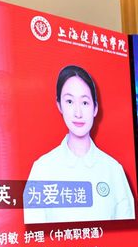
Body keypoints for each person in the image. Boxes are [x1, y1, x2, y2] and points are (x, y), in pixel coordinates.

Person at [24, 65, 135, 224]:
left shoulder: (113, 170)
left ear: (95, 108)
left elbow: (126, 232)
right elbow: (34, 232)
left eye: (84, 103)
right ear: (59, 105)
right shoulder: (42, 169)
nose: (78, 113)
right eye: (69, 101)